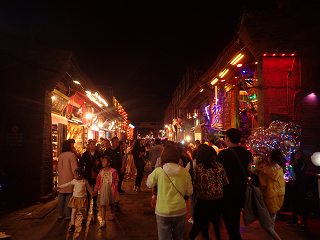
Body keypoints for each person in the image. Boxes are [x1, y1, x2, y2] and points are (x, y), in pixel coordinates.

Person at [146, 145, 193, 240]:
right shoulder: (184, 172)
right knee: (178, 237)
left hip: (163, 211)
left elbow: (149, 184)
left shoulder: (159, 171)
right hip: (180, 210)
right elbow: (189, 192)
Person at [216, 128, 252, 240]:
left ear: (227, 138)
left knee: (229, 219)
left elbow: (218, 172)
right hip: (241, 190)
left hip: (227, 191)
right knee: (235, 216)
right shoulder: (246, 153)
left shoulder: (222, 154)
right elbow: (248, 170)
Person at [190, 144, 229, 240]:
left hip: (203, 202)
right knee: (213, 232)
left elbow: (195, 185)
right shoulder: (219, 166)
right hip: (217, 202)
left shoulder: (198, 168)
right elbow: (226, 182)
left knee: (198, 230)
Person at [53, 168, 96, 232]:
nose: (74, 176)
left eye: (75, 175)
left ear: (80, 175)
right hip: (75, 198)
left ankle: (84, 218)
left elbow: (89, 189)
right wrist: (58, 187)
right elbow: (67, 184)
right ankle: (73, 225)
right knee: (73, 212)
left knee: (82, 210)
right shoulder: (74, 181)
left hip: (82, 198)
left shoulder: (85, 181)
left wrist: (92, 193)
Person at [94, 156, 119, 228]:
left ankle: (111, 213)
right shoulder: (101, 172)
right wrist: (96, 189)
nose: (102, 162)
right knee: (103, 204)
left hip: (111, 189)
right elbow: (98, 181)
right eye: (103, 161)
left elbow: (116, 179)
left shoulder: (113, 171)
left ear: (109, 163)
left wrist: (115, 187)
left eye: (104, 161)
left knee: (111, 202)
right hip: (103, 189)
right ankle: (103, 220)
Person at [286, 150, 308, 230]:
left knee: (301, 204)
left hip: (299, 185)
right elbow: (288, 173)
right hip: (291, 185)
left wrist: (293, 166)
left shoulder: (303, 163)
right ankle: (294, 219)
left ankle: (304, 223)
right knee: (293, 202)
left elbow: (299, 172)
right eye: (297, 153)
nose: (298, 155)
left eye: (300, 154)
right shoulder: (290, 162)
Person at [57, 140, 79, 220]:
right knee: (69, 196)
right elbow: (74, 168)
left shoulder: (61, 155)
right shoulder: (71, 155)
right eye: (71, 144)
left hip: (61, 178)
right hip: (69, 178)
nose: (73, 145)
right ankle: (68, 214)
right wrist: (77, 176)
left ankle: (60, 214)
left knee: (61, 196)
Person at [104, 137, 126, 210]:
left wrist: (123, 167)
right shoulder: (107, 151)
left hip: (118, 170)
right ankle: (110, 200)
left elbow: (123, 158)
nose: (117, 144)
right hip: (110, 171)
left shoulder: (120, 149)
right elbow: (104, 160)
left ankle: (116, 202)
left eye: (118, 142)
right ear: (112, 142)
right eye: (115, 142)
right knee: (110, 185)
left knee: (117, 186)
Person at [80, 139, 100, 210]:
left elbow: (102, 161)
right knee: (88, 188)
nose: (92, 146)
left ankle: (95, 202)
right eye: (91, 144)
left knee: (95, 188)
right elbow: (82, 164)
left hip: (96, 173)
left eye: (93, 144)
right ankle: (88, 202)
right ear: (88, 146)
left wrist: (99, 163)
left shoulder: (98, 153)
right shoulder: (85, 154)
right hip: (88, 173)